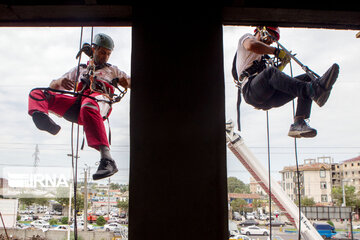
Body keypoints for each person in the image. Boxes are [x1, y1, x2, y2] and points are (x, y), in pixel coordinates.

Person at [28, 33, 131, 180]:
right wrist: (60, 82)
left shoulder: (112, 71)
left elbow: (131, 81)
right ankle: (41, 116)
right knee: (37, 93)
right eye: (102, 52)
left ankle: (107, 159)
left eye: (108, 54)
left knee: (89, 105)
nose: (105, 57)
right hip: (79, 105)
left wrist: (125, 82)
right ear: (94, 49)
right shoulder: (80, 69)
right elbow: (52, 86)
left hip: (98, 103)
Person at [234, 26, 339, 138]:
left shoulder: (262, 57)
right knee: (272, 73)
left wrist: (282, 64)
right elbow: (251, 45)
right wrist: (275, 51)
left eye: (274, 38)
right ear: (261, 31)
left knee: (307, 78)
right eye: (271, 35)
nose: (271, 41)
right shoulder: (247, 38)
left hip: (268, 98)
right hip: (250, 91)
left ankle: (299, 122)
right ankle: (313, 90)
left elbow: (274, 80)